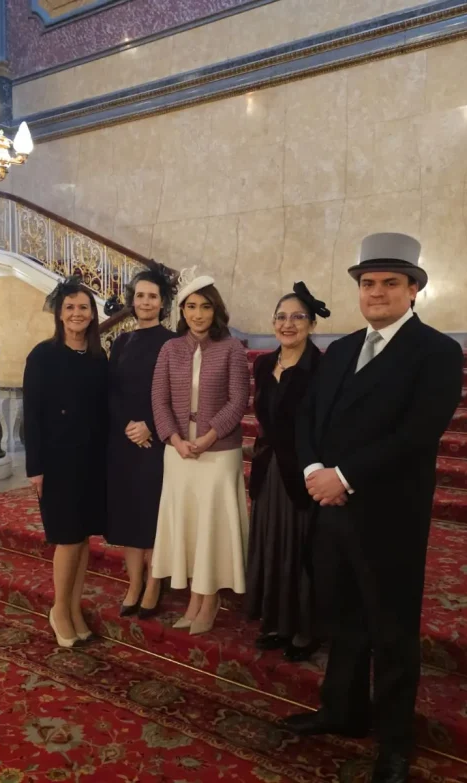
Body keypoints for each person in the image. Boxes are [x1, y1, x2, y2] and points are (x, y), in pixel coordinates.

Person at [283, 233, 463, 783]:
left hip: (390, 515)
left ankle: (394, 741)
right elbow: (308, 417)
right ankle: (342, 710)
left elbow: (417, 433)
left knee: (391, 628)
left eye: (390, 283)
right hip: (331, 508)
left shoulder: (436, 352)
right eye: (368, 283)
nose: (377, 292)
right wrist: (314, 470)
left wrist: (346, 476)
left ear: (413, 290)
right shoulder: (339, 351)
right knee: (342, 617)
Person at [150, 274, 250, 635]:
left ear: (216, 309)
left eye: (205, 306)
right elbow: (158, 400)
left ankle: (209, 599)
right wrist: (174, 439)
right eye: (191, 306)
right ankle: (194, 596)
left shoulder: (232, 348)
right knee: (190, 526)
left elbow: (238, 400)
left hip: (218, 453)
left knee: (213, 526)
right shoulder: (170, 349)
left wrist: (208, 438)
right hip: (178, 453)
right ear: (182, 310)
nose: (198, 314)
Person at [23, 275, 108, 648]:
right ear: (59, 314)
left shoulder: (96, 356)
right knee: (68, 539)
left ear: (92, 315)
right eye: (70, 307)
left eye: (83, 308)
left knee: (84, 538)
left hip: (92, 459)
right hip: (57, 462)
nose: (76, 313)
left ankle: (74, 609)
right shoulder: (42, 355)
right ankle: (58, 609)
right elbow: (32, 415)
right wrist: (35, 467)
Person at [245, 283, 327, 662]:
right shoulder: (263, 364)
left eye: (297, 317)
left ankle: (306, 626)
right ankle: (276, 622)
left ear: (311, 324)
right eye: (281, 317)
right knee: (270, 543)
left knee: (300, 548)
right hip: (267, 467)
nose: (288, 324)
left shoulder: (321, 367)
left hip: (303, 471)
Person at [105, 268, 176, 618]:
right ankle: (133, 583)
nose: (145, 302)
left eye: (152, 296)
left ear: (163, 302)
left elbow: (176, 394)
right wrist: (127, 426)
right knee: (129, 516)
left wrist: (149, 425)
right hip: (124, 441)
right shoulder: (120, 342)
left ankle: (153, 582)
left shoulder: (173, 342)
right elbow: (111, 392)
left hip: (156, 441)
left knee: (151, 515)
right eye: (140, 296)